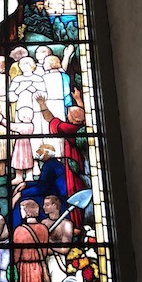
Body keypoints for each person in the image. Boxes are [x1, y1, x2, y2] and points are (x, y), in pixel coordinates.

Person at [36, 91, 87, 226]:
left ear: (72, 119)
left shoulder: (68, 129)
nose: (66, 115)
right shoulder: (84, 126)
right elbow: (85, 115)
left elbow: (51, 119)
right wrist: (78, 99)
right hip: (81, 163)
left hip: (72, 165)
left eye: (68, 114)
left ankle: (77, 223)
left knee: (73, 190)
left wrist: (42, 105)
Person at [0, 106, 35, 183]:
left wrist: (1, 120)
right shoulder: (31, 125)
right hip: (27, 146)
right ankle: (29, 177)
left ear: (23, 116)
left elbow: (12, 126)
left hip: (21, 146)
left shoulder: (24, 126)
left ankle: (19, 177)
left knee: (19, 160)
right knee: (28, 160)